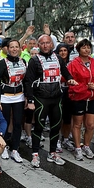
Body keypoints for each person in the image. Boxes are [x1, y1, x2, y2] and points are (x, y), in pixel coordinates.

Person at [24, 34, 78, 168]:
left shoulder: (58, 58)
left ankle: (53, 152)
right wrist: (30, 100)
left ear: (51, 44)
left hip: (56, 98)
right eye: (42, 43)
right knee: (39, 127)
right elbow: (28, 81)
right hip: (41, 98)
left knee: (55, 127)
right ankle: (35, 154)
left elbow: (65, 72)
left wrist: (70, 79)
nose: (45, 45)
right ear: (39, 45)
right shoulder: (34, 60)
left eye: (47, 43)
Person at [67, 39, 94, 160]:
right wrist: (85, 87)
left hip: (92, 97)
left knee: (90, 125)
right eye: (84, 47)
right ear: (78, 50)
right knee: (77, 124)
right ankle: (78, 148)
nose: (86, 50)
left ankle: (86, 146)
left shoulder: (93, 62)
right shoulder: (73, 63)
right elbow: (70, 81)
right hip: (78, 97)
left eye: (88, 47)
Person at [0, 39, 26, 163]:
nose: (14, 49)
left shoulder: (23, 61)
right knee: (5, 123)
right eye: (11, 47)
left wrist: (28, 97)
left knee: (18, 123)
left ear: (19, 48)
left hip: (19, 95)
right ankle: (4, 147)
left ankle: (15, 149)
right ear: (7, 48)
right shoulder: (2, 62)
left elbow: (26, 80)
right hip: (5, 96)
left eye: (16, 47)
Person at [54, 43, 75, 153]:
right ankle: (56, 140)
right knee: (58, 117)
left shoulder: (72, 63)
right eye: (61, 50)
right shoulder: (54, 62)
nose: (63, 52)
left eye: (65, 50)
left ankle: (66, 139)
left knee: (68, 118)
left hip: (70, 91)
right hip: (57, 91)